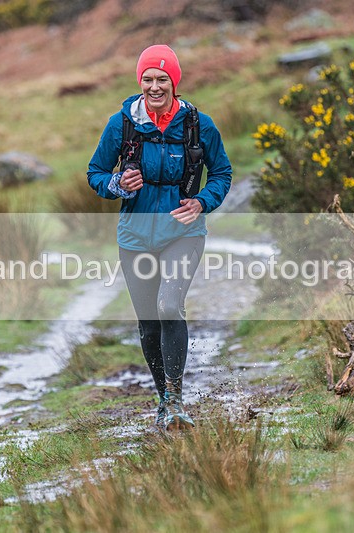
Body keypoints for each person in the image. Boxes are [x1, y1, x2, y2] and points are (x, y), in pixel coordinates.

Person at [87, 44, 232, 430]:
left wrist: (202, 202)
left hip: (183, 231)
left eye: (162, 79)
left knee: (169, 306)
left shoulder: (200, 126)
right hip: (135, 236)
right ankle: (164, 402)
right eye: (148, 79)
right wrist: (117, 183)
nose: (154, 86)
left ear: (174, 82)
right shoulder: (122, 124)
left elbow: (222, 174)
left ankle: (175, 399)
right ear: (140, 81)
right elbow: (95, 173)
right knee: (149, 323)